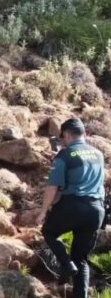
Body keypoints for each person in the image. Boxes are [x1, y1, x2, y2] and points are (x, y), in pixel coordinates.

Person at [38, 118, 105, 298]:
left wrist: (43, 211)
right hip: (96, 210)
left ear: (67, 135)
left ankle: (66, 265)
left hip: (74, 205)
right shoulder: (98, 154)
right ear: (84, 134)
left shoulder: (65, 155)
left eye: (63, 137)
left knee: (49, 232)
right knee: (81, 259)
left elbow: (53, 187)